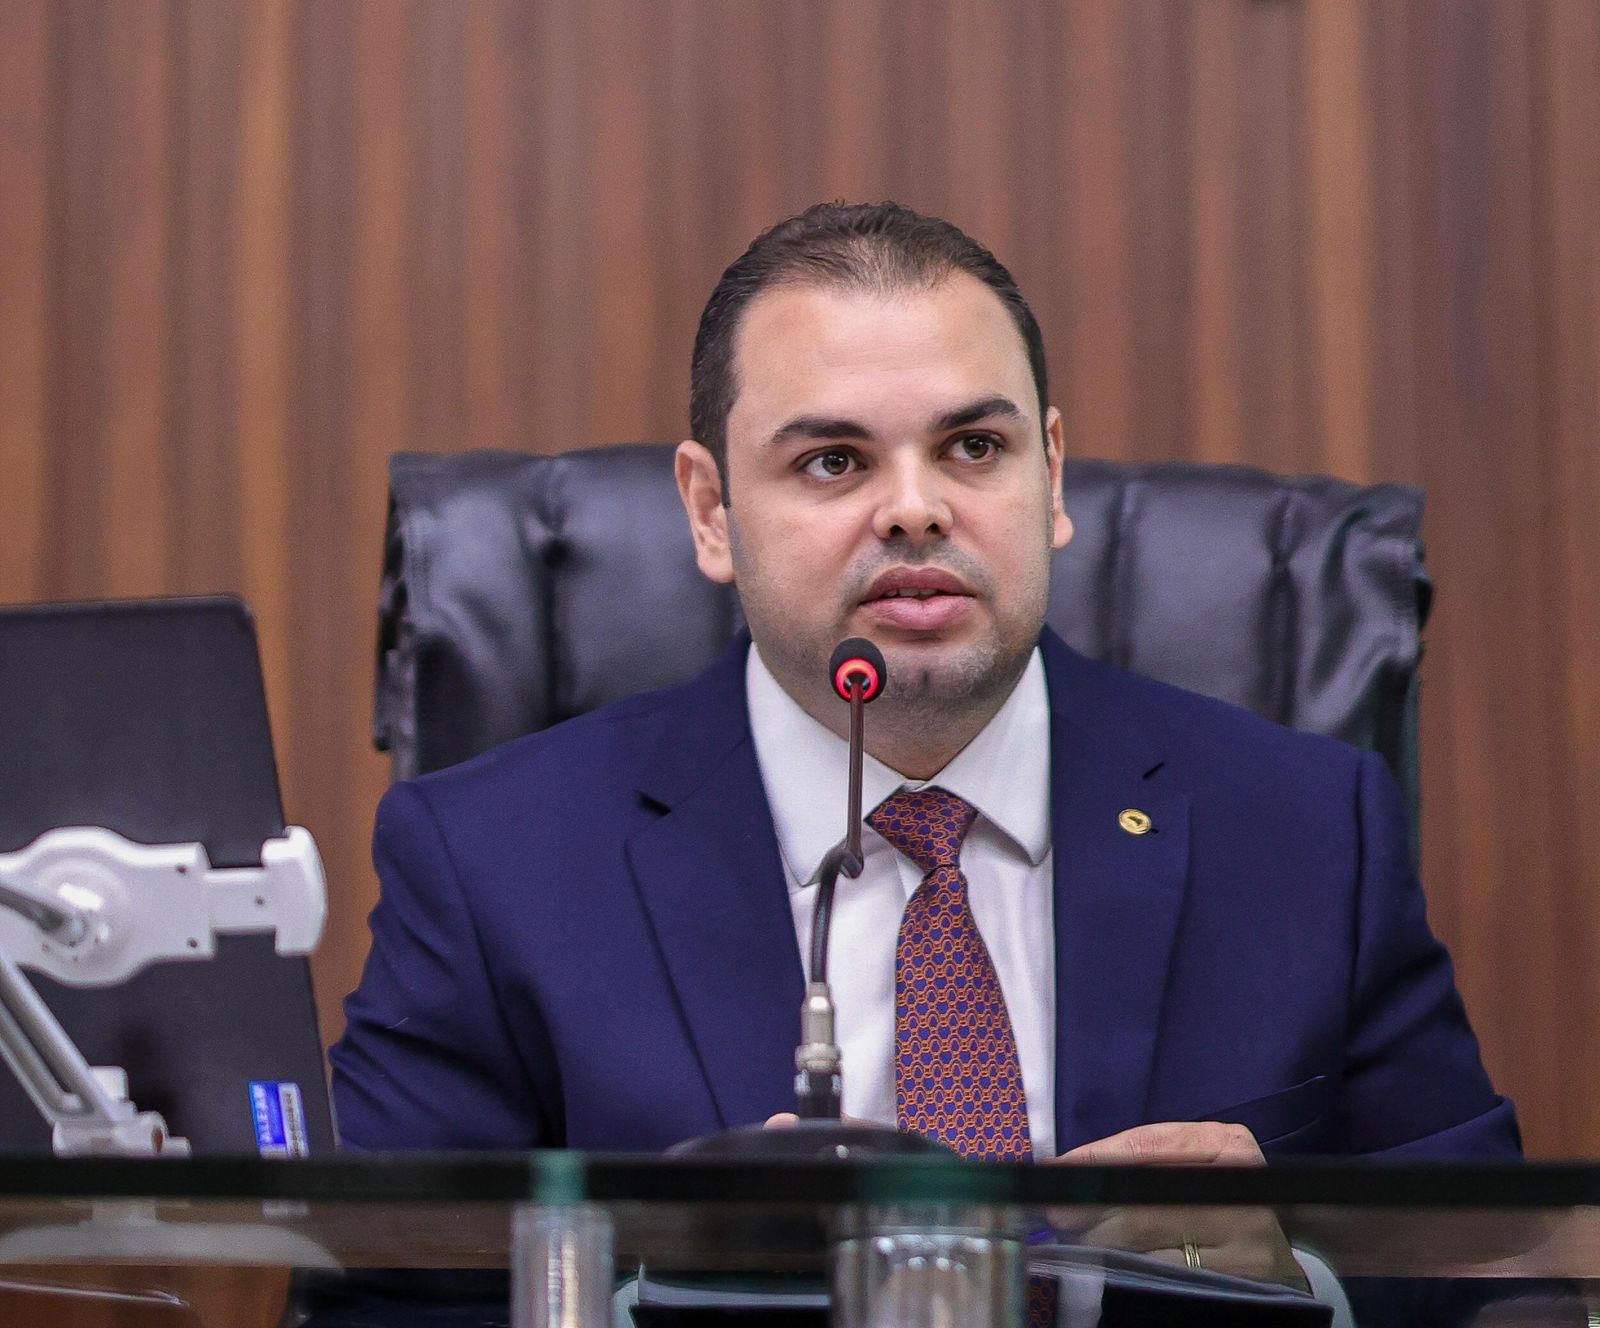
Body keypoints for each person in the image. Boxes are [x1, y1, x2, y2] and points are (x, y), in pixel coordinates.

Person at [331, 202, 1518, 1187]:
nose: (914, 509)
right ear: (710, 510)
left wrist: (1293, 1273)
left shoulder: (1312, 831)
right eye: (832, 461)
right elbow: (383, 1299)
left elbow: (1493, 1278)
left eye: (973, 448)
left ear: (1052, 474)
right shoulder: (493, 864)